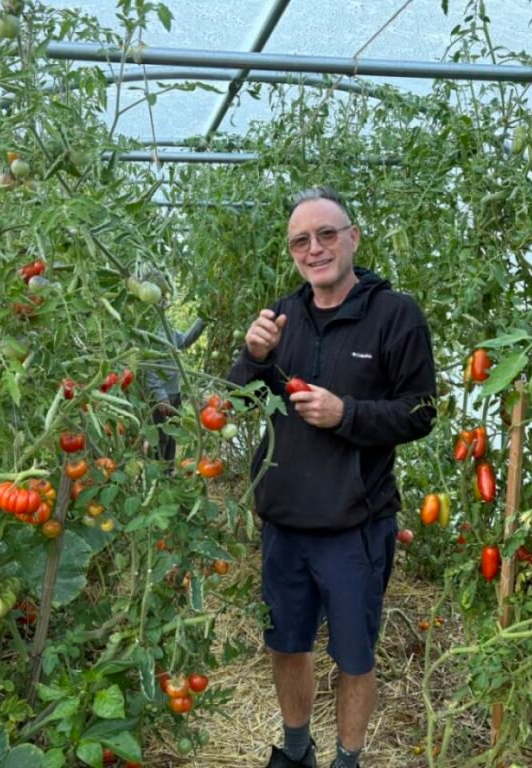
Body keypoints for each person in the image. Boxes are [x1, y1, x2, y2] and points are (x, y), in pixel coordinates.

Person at [228, 187, 436, 768]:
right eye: (301, 240)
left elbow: (421, 411)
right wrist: (252, 356)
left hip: (355, 525)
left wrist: (347, 414)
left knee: (353, 656)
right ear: (292, 251)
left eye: (326, 234)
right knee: (286, 644)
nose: (314, 248)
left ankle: (348, 759)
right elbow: (237, 402)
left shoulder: (395, 315)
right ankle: (296, 751)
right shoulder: (281, 316)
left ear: (353, 237)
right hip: (284, 521)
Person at [144, 282, 205, 464]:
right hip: (162, 395)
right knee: (160, 437)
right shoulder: (150, 330)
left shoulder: (166, 327)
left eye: (165, 297)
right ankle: (157, 476)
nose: (165, 301)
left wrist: (203, 320)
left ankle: (168, 473)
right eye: (162, 297)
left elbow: (184, 341)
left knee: (171, 436)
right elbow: (148, 365)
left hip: (174, 392)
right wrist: (160, 394)